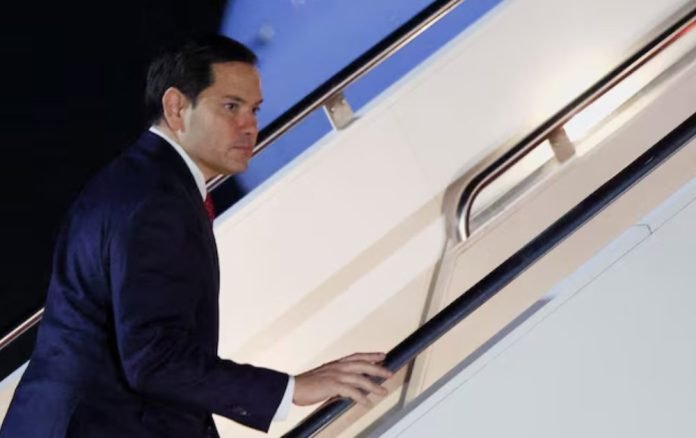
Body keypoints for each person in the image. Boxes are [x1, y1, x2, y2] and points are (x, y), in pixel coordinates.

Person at [0, 34, 391, 438]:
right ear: (176, 108)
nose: (250, 126)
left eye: (254, 110)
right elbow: (154, 358)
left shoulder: (142, 181)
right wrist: (293, 389)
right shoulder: (154, 200)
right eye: (231, 107)